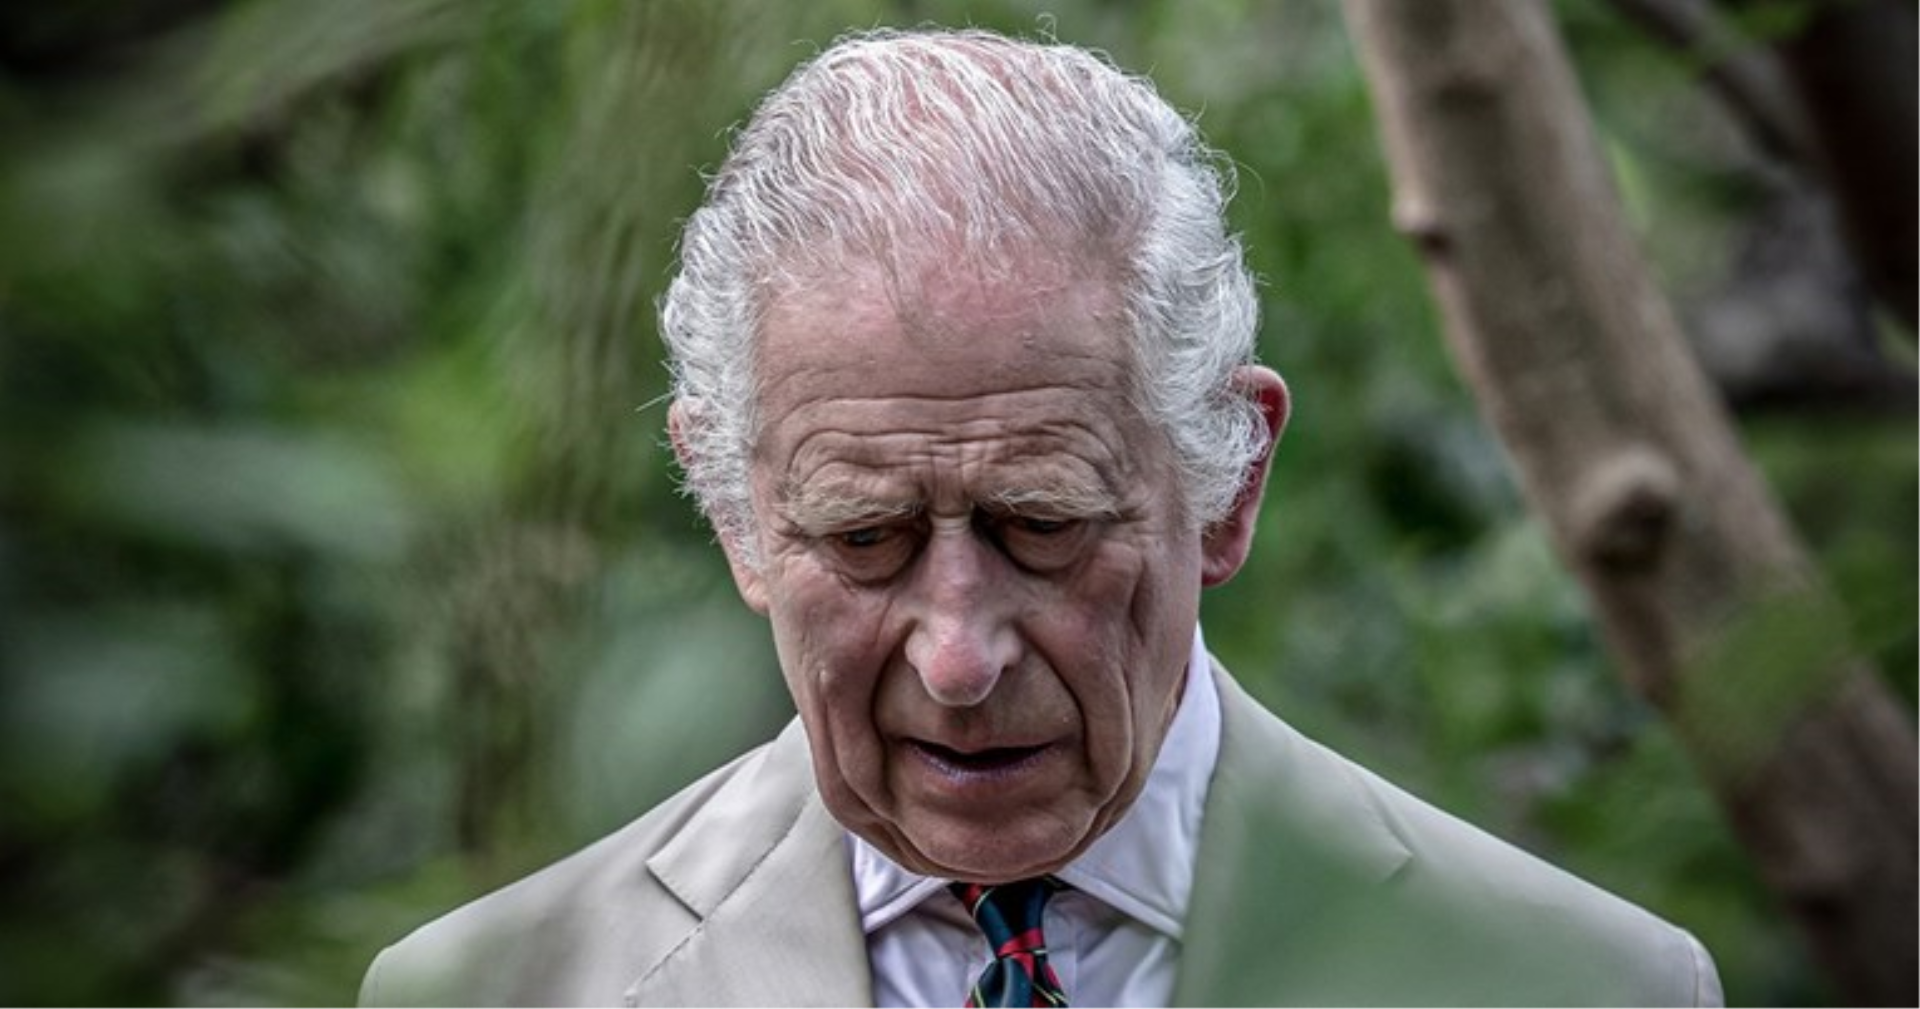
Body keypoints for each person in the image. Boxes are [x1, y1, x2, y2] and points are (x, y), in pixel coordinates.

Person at [360, 27, 1723, 1008]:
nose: (959, 658)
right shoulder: (496, 992)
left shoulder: (1583, 986)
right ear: (735, 512)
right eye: (864, 538)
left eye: (1044, 523)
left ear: (1229, 484)